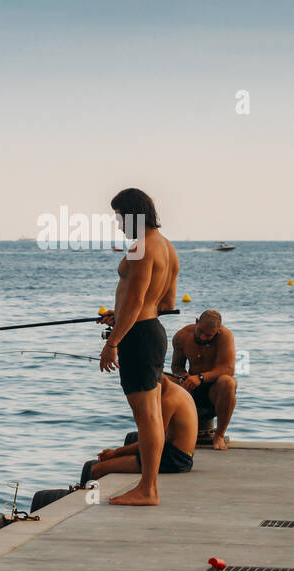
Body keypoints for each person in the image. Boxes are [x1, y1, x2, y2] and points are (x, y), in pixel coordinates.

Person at [97, 188, 179, 506]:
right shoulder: (167, 248)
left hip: (139, 338)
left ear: (132, 215)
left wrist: (113, 342)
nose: (118, 223)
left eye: (119, 216)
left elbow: (135, 299)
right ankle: (149, 487)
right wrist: (120, 316)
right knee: (151, 415)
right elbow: (166, 302)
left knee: (146, 417)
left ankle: (148, 489)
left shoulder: (140, 248)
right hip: (152, 332)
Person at [83, 376, 197, 483]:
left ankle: (94, 501)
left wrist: (115, 453)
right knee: (113, 460)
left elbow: (153, 442)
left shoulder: (168, 400)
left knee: (97, 469)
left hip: (175, 460)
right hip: (178, 454)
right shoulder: (176, 390)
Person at [170, 309, 237, 450]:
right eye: (200, 331)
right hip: (190, 386)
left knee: (228, 382)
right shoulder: (181, 337)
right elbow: (177, 367)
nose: (203, 337)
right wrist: (184, 377)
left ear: (217, 332)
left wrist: (201, 378)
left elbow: (229, 369)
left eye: (209, 335)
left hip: (214, 389)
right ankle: (166, 432)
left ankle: (218, 436)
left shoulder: (225, 337)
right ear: (196, 322)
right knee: (160, 380)